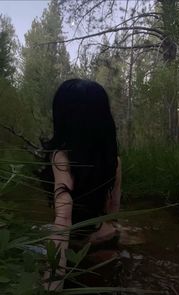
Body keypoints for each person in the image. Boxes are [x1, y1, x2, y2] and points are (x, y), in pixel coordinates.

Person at [43, 79, 121, 291]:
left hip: (77, 242)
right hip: (106, 235)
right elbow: (113, 208)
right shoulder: (113, 159)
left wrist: (51, 285)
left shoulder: (61, 157)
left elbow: (63, 219)